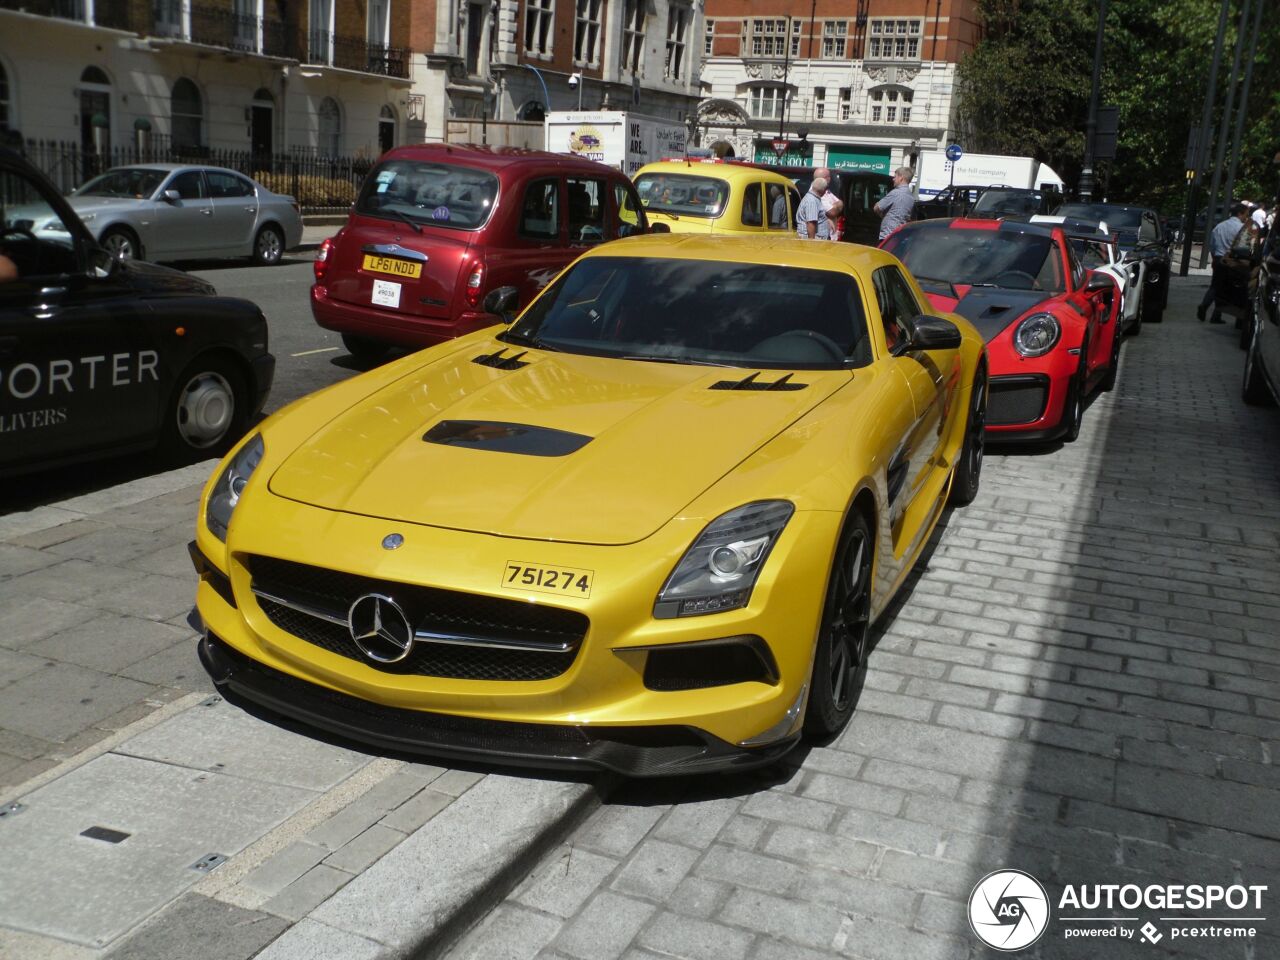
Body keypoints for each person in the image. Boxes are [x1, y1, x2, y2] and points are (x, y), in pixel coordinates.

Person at [1199, 201, 1251, 324]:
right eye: (1246, 214)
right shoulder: (1242, 229)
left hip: (1218, 259)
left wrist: (1214, 259)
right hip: (1234, 261)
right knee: (1229, 289)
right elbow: (1245, 247)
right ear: (1240, 213)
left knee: (1215, 286)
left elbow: (1212, 246)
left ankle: (1205, 306)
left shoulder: (1219, 226)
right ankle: (1218, 315)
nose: (1246, 218)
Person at [874, 165, 916, 241]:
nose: (893, 179)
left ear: (901, 178)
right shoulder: (911, 197)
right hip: (900, 235)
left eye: (895, 177)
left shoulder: (895, 193)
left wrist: (881, 215)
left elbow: (877, 208)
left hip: (888, 236)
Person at [815, 166, 844, 241]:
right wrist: (836, 207)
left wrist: (836, 206)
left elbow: (841, 203)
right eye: (828, 177)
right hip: (823, 238)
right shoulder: (817, 193)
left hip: (832, 237)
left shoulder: (827, 191)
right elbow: (832, 212)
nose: (830, 179)